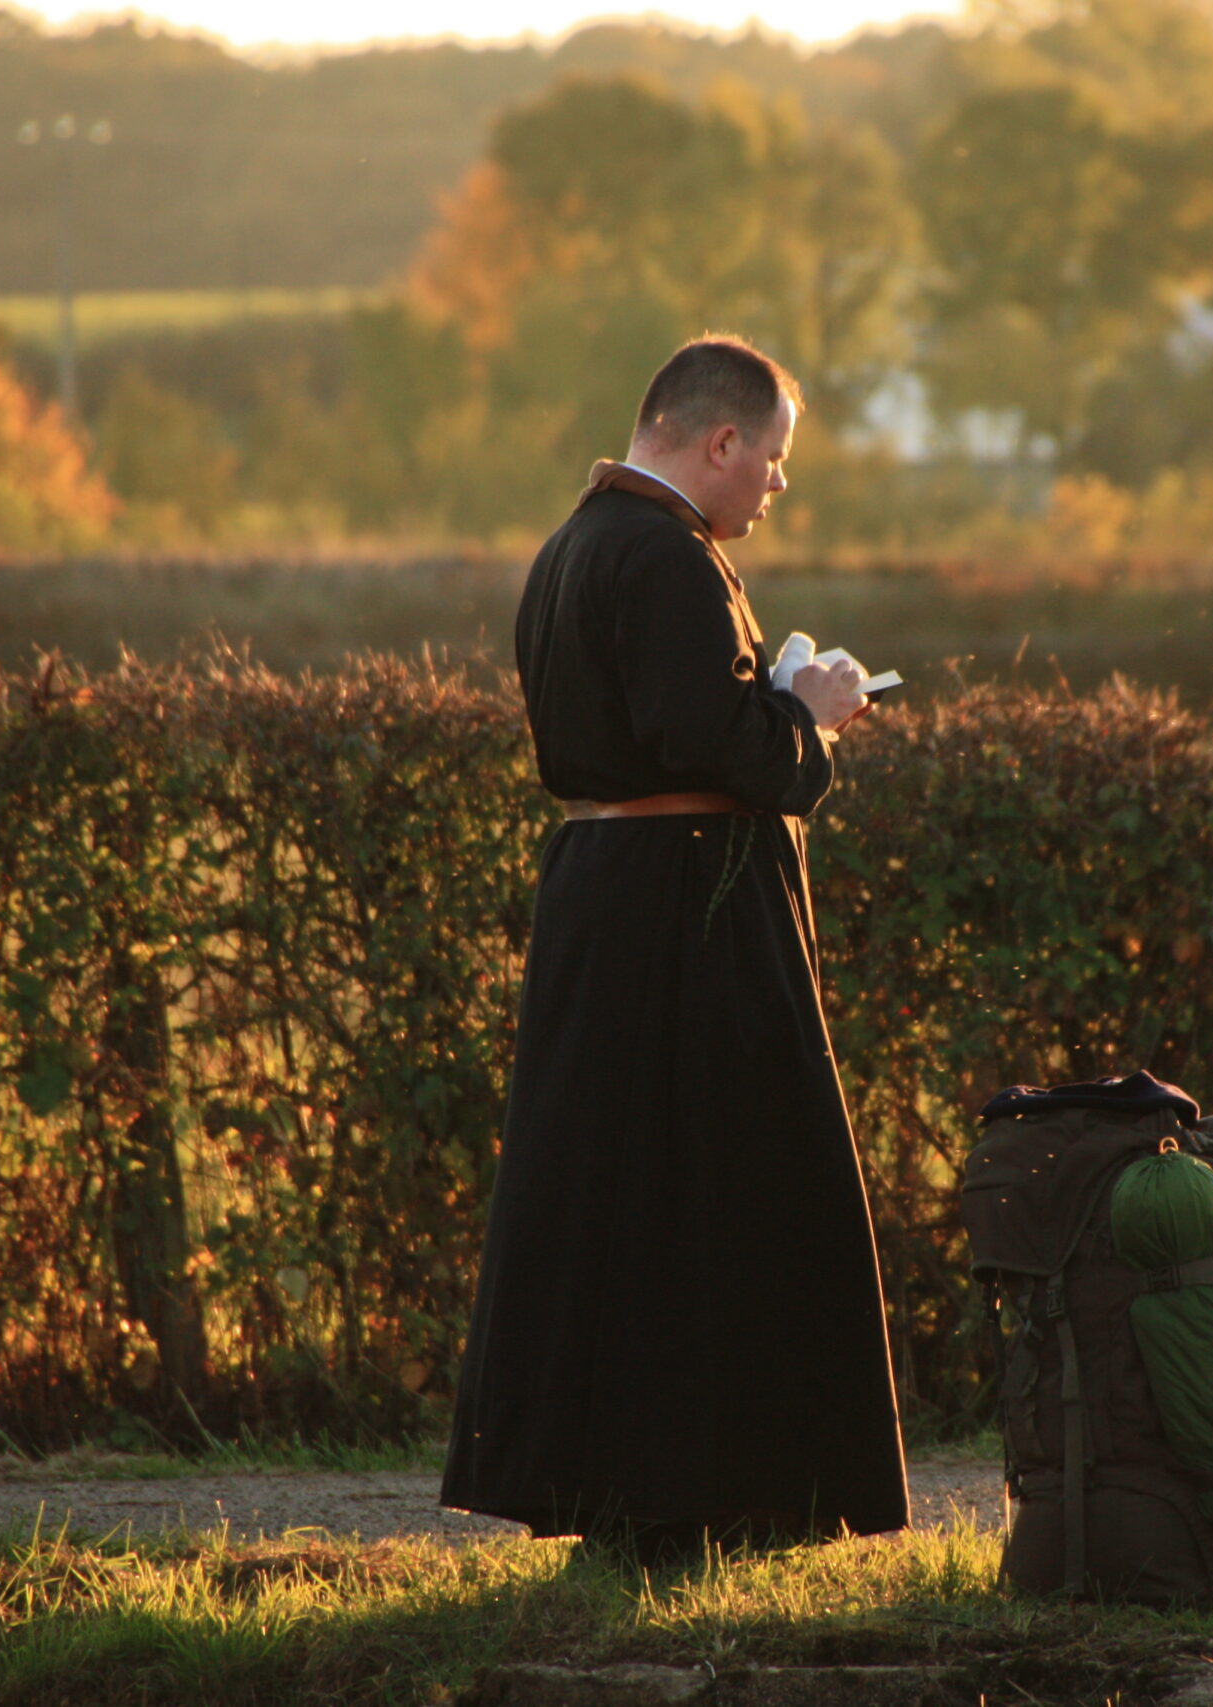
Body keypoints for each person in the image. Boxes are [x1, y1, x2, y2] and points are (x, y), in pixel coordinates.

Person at [439, 336, 910, 1562]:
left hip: (609, 897)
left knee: (617, 1199)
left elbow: (656, 729)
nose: (775, 486)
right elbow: (709, 740)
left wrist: (771, 704)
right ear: (718, 442)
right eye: (771, 460)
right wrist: (809, 717)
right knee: (714, 1193)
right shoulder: (667, 556)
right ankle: (716, 1498)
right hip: (685, 916)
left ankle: (628, 1496)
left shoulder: (572, 545)